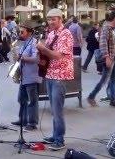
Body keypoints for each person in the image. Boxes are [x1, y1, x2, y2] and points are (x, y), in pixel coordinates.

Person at [37, 8, 74, 151]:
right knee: (53, 109)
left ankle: (60, 139)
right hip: (50, 74)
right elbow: (46, 52)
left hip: (60, 75)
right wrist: (38, 49)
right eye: (49, 19)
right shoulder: (51, 34)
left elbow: (58, 55)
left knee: (57, 110)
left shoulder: (66, 34)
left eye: (53, 19)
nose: (50, 22)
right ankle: (55, 134)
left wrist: (42, 48)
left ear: (60, 19)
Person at [86, 10, 115, 108]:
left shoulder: (112, 28)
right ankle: (91, 96)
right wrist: (107, 57)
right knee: (104, 80)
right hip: (110, 58)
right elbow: (103, 44)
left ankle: (113, 100)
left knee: (113, 80)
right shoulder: (106, 28)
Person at [11, 20, 40, 131]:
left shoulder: (34, 43)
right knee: (21, 99)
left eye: (22, 32)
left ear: (29, 32)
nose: (20, 34)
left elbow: (36, 59)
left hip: (32, 76)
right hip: (24, 76)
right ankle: (22, 119)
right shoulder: (25, 43)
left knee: (32, 101)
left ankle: (32, 123)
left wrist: (23, 58)